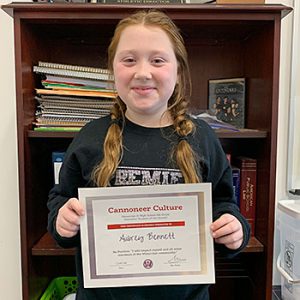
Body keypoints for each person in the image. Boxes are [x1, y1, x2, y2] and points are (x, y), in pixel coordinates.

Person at [47, 9, 250, 300]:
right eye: (129, 60)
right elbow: (61, 199)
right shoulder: (89, 138)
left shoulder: (202, 137)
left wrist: (234, 229)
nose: (143, 72)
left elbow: (223, 203)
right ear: (113, 69)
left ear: (177, 71)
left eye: (157, 60)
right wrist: (62, 220)